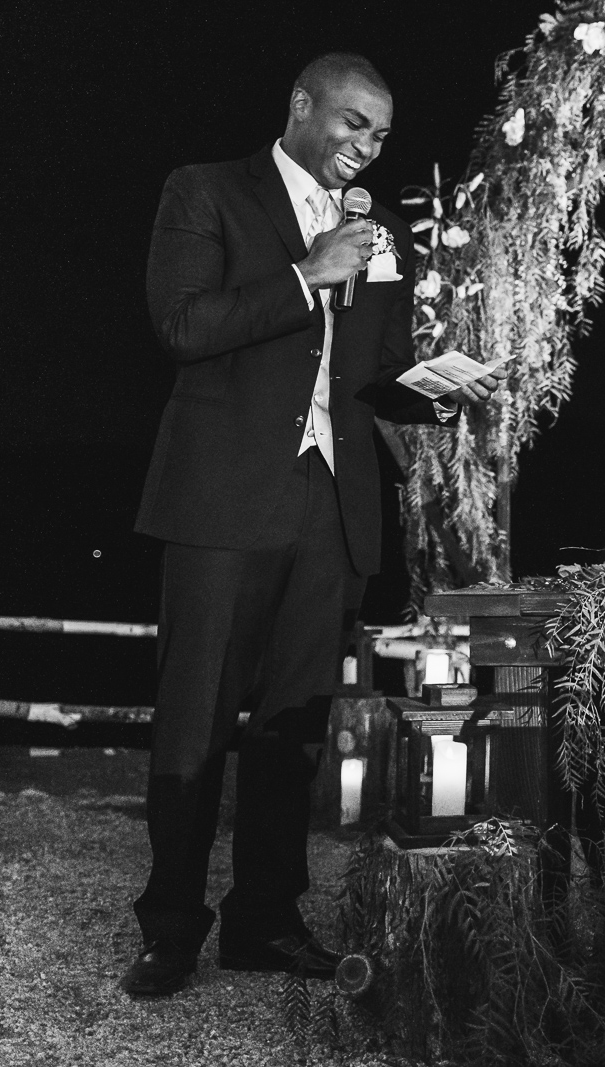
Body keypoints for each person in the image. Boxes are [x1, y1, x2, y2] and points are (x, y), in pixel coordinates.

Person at [124, 52, 499, 998]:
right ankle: (170, 923)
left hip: (332, 511)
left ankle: (263, 918)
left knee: (293, 729)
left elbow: (370, 372)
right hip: (221, 502)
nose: (365, 146)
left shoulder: (371, 236)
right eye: (352, 123)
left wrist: (433, 394)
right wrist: (306, 273)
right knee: (195, 721)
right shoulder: (205, 191)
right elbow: (182, 324)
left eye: (379, 134)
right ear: (301, 106)